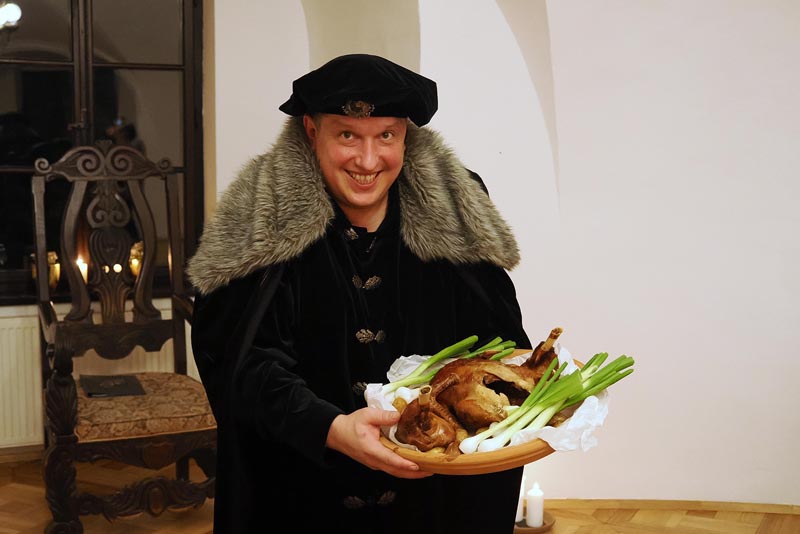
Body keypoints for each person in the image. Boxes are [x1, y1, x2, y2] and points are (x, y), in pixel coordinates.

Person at [187, 53, 532, 533]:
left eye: (385, 136)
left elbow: (496, 341)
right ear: (312, 131)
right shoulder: (260, 216)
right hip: (303, 491)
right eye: (347, 135)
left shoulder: (454, 208)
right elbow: (242, 363)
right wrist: (329, 428)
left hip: (433, 494)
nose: (368, 161)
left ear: (405, 136)